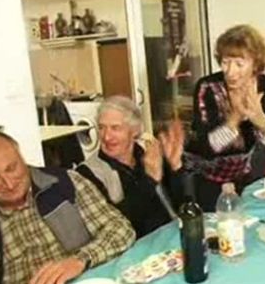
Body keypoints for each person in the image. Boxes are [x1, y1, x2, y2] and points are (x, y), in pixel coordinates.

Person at [0, 131, 135, 284]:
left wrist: (79, 260)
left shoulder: (65, 183)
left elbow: (121, 230)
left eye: (12, 168)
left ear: (22, 157)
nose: (9, 183)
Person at [185, 24, 265, 211]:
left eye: (239, 64)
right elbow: (207, 148)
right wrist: (235, 117)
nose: (230, 72)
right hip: (206, 177)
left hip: (245, 174)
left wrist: (260, 119)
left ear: (255, 65)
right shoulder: (207, 87)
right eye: (225, 62)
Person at [76, 96, 185, 238]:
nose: (106, 137)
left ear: (135, 131)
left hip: (169, 237)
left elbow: (182, 205)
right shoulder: (86, 174)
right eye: (101, 128)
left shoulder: (148, 157)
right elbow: (116, 226)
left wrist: (176, 168)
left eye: (115, 128)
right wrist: (149, 181)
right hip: (134, 250)